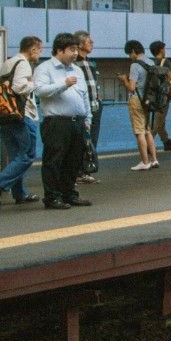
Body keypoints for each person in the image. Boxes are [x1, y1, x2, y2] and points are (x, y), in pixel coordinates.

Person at [33, 32, 92, 209]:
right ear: (59, 50)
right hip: (56, 122)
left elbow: (85, 96)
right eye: (72, 50)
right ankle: (52, 197)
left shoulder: (77, 70)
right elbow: (39, 91)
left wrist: (87, 118)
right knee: (54, 161)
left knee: (73, 161)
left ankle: (69, 194)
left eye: (76, 49)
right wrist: (63, 85)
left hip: (78, 122)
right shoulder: (44, 69)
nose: (75, 53)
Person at [0, 35, 44, 207]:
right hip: (21, 115)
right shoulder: (23, 64)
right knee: (27, 156)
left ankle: (20, 194)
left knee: (16, 157)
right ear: (32, 49)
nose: (39, 54)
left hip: (5, 117)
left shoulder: (9, 62)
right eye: (39, 50)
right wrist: (34, 83)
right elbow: (18, 87)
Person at [122, 38, 159, 171]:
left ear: (133, 51)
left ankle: (144, 161)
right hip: (148, 100)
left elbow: (132, 87)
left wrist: (124, 80)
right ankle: (154, 159)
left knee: (139, 132)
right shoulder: (151, 62)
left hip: (137, 99)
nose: (130, 57)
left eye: (129, 54)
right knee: (147, 130)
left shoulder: (135, 65)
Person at [75, 30, 102, 182]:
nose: (92, 44)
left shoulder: (89, 62)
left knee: (92, 140)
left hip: (95, 104)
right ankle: (79, 171)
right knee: (82, 140)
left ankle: (86, 169)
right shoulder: (75, 63)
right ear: (80, 44)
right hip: (85, 107)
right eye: (89, 41)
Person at [144, 41, 171, 152]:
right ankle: (148, 145)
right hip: (163, 96)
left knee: (159, 120)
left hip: (151, 95)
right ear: (161, 50)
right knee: (158, 120)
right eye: (164, 49)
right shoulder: (165, 62)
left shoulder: (149, 62)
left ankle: (166, 142)